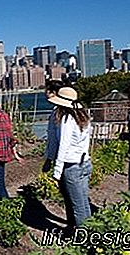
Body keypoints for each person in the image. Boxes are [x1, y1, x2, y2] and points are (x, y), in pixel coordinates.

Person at [48, 87, 92, 227]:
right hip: (84, 162)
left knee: (77, 206)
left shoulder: (66, 119)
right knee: (84, 203)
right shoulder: (83, 116)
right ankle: (91, 232)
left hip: (71, 165)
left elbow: (63, 146)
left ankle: (83, 239)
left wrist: (57, 171)